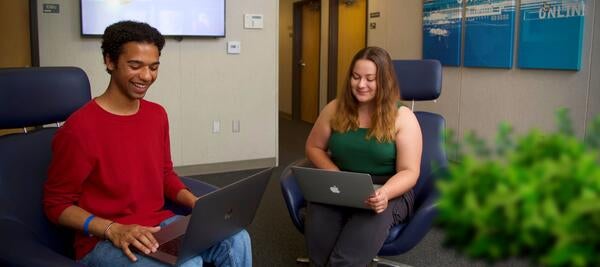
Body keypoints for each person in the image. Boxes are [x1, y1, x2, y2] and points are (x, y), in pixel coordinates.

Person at [43, 20, 251, 267]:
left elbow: (164, 174)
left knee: (237, 238)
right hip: (103, 240)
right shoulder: (79, 128)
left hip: (156, 225)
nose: (146, 76)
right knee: (188, 264)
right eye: (135, 65)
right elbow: (56, 205)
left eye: (154, 67)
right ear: (110, 62)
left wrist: (197, 203)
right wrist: (112, 229)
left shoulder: (156, 115)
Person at [304, 46, 422, 266]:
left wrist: (385, 193)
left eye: (370, 79)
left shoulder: (403, 117)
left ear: (384, 82)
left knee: (344, 260)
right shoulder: (334, 109)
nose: (361, 84)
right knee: (319, 256)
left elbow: (410, 171)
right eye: (356, 77)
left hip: (387, 190)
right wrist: (335, 175)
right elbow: (313, 147)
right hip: (340, 183)